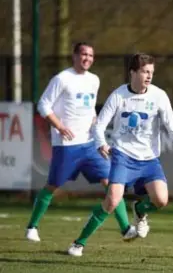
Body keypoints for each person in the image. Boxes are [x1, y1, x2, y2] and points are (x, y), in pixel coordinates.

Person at [67, 53, 173, 257]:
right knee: (113, 200)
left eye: (151, 72)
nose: (149, 76)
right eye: (144, 71)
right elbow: (99, 126)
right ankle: (78, 243)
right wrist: (101, 144)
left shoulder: (159, 96)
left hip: (149, 160)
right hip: (123, 157)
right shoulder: (118, 95)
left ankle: (140, 210)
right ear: (132, 72)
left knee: (161, 200)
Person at [25, 42, 136, 243]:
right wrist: (59, 126)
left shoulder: (94, 80)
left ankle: (126, 228)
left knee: (111, 183)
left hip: (90, 144)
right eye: (83, 54)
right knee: (53, 185)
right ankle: (32, 227)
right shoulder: (62, 78)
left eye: (91, 55)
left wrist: (96, 127)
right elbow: (43, 105)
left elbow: (90, 108)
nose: (87, 58)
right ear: (74, 56)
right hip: (67, 145)